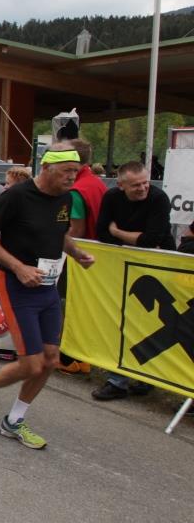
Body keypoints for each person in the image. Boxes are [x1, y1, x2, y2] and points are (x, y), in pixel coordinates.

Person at [0, 144, 95, 449]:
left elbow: (59, 234)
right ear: (46, 168)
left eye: (75, 172)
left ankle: (14, 421)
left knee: (50, 360)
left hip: (47, 287)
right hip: (15, 285)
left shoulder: (65, 198)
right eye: (66, 171)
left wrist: (77, 254)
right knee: (31, 364)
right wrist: (19, 267)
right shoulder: (17, 196)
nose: (72, 177)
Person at [90, 161, 175, 401]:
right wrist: (134, 239)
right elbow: (101, 233)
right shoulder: (111, 197)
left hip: (157, 269)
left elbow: (152, 239)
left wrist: (118, 233)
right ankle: (117, 381)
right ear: (121, 185)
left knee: (151, 323)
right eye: (136, 185)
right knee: (120, 319)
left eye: (145, 183)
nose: (143, 188)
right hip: (122, 266)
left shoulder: (158, 198)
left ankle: (145, 378)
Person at [56, 139, 106, 374]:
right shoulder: (96, 183)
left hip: (79, 256)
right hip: (97, 255)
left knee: (66, 303)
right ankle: (81, 357)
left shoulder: (77, 190)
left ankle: (70, 359)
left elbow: (76, 230)